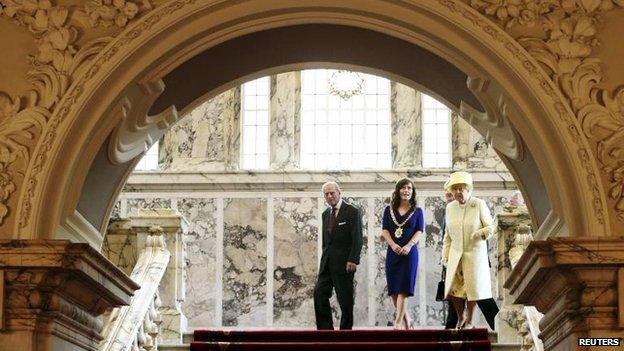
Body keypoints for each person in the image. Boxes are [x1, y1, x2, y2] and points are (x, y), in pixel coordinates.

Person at [441, 171, 494, 329]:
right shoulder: (450, 208)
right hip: (455, 254)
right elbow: (447, 236)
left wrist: (480, 233)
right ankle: (460, 317)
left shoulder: (478, 204)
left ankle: (470, 320)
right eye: (455, 188)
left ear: (468, 189)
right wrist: (445, 255)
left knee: (472, 288)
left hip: (474, 254)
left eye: (461, 188)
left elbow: (491, 227)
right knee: (453, 289)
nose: (457, 192)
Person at [314, 181, 363, 330]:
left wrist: (353, 259)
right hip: (327, 264)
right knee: (319, 294)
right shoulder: (325, 214)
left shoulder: (352, 212)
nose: (329, 196)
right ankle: (325, 330)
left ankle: (345, 332)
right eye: (326, 194)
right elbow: (326, 242)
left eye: (332, 193)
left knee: (345, 300)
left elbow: (358, 237)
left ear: (339, 192)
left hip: (345, 264)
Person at [381, 178, 424, 330]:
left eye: (409, 188)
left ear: (412, 192)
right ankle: (407, 318)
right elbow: (385, 229)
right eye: (404, 188)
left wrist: (408, 245)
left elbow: (419, 230)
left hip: (409, 254)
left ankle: (398, 322)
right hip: (393, 253)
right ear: (398, 190)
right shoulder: (389, 210)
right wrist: (393, 245)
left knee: (403, 288)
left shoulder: (417, 211)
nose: (406, 190)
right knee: (394, 289)